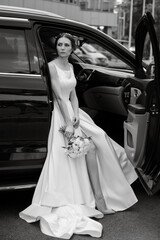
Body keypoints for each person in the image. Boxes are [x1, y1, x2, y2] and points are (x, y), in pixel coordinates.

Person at [19, 33, 138, 239]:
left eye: (66, 45)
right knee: (86, 148)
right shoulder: (52, 66)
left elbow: (73, 95)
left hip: (74, 113)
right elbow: (58, 96)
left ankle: (106, 193)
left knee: (100, 138)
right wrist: (67, 122)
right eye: (59, 45)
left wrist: (75, 115)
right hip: (61, 115)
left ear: (72, 48)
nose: (62, 48)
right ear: (56, 47)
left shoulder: (71, 67)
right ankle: (98, 199)